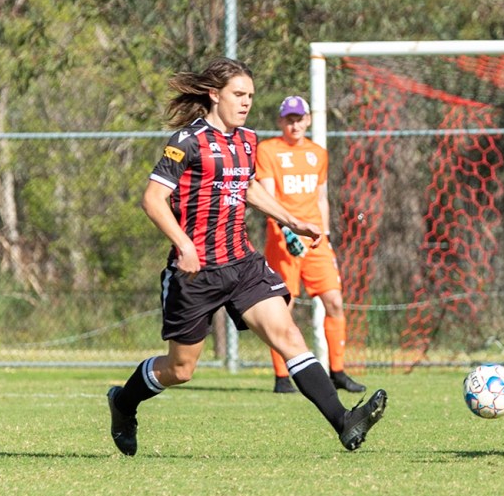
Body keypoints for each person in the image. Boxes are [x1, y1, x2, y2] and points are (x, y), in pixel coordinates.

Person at [105, 58, 387, 456]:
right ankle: (123, 402)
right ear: (214, 94)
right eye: (239, 94)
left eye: (250, 96)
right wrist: (184, 244)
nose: (246, 103)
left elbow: (248, 186)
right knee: (180, 369)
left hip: (242, 263)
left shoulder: (248, 140)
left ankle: (344, 421)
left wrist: (293, 220)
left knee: (288, 335)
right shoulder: (188, 140)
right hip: (196, 273)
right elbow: (153, 199)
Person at [256, 95, 367, 394]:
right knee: (282, 309)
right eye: (289, 119)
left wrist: (326, 236)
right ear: (281, 121)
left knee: (334, 302)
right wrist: (286, 229)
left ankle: (338, 371)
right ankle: (282, 377)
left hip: (316, 240)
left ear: (308, 120)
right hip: (284, 241)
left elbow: (321, 198)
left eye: (299, 118)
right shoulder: (268, 150)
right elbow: (267, 197)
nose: (294, 124)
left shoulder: (318, 153)